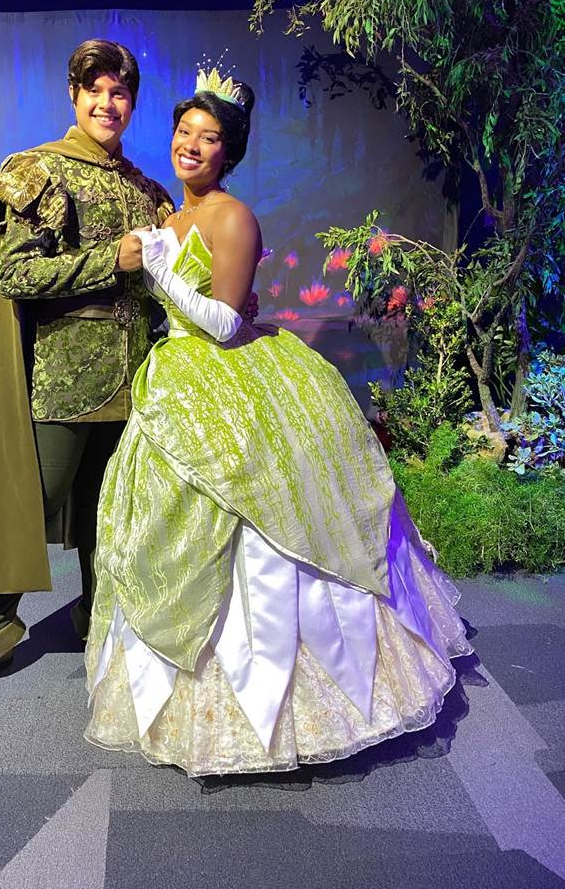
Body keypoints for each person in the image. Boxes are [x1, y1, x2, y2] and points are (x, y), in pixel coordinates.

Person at [83, 67, 472, 775]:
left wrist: (161, 274)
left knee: (267, 511)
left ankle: (308, 698)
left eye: (208, 137)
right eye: (184, 131)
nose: (191, 145)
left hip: (231, 373)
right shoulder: (170, 216)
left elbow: (227, 324)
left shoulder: (232, 216)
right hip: (175, 381)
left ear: (228, 152)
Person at [0, 39, 174, 700]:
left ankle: (97, 618)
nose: (107, 103)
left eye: (119, 93)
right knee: (32, 503)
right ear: (74, 95)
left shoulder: (147, 190)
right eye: (95, 91)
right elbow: (16, 275)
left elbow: (161, 288)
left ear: (132, 102)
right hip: (66, 381)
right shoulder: (42, 172)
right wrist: (109, 261)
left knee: (107, 511)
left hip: (135, 381)